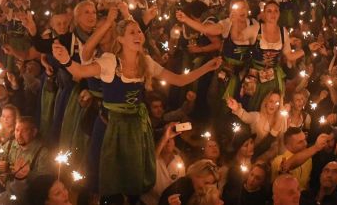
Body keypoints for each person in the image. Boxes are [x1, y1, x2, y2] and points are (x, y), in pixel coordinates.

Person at [54, 17, 223, 202]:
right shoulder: (110, 62)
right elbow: (79, 72)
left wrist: (207, 68)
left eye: (139, 31)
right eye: (132, 32)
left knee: (132, 176)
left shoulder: (146, 62)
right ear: (120, 39)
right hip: (109, 126)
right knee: (104, 176)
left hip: (134, 128)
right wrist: (66, 61)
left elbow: (179, 80)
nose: (138, 35)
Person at [157, 159, 223, 205]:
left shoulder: (193, 189)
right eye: (206, 183)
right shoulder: (180, 191)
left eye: (210, 184)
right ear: (196, 174)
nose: (207, 187)